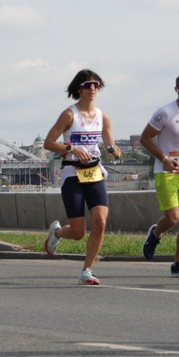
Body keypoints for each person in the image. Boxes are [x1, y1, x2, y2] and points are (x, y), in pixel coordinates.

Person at [42, 71, 120, 284]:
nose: (92, 89)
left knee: (101, 223)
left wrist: (114, 149)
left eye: (96, 85)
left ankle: (87, 270)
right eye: (88, 85)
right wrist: (72, 148)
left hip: (94, 173)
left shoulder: (102, 116)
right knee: (77, 233)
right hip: (72, 173)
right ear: (79, 88)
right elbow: (48, 143)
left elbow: (109, 142)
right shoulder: (69, 115)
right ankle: (57, 233)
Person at [138, 73, 179, 277]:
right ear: (177, 89)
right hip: (167, 172)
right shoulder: (165, 112)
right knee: (173, 218)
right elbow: (145, 138)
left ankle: (178, 264)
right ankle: (155, 233)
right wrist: (164, 158)